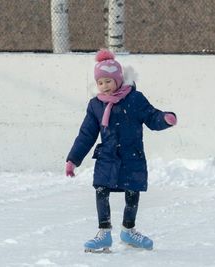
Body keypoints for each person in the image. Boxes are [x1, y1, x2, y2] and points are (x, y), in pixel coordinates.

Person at [65, 49, 177, 253]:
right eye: (100, 82)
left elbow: (152, 117)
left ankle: (128, 229)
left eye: (108, 81)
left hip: (132, 156)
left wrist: (165, 119)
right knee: (101, 190)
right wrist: (73, 159)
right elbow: (86, 134)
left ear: (118, 79)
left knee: (132, 192)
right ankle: (104, 233)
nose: (104, 86)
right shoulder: (96, 105)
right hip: (107, 157)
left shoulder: (135, 99)